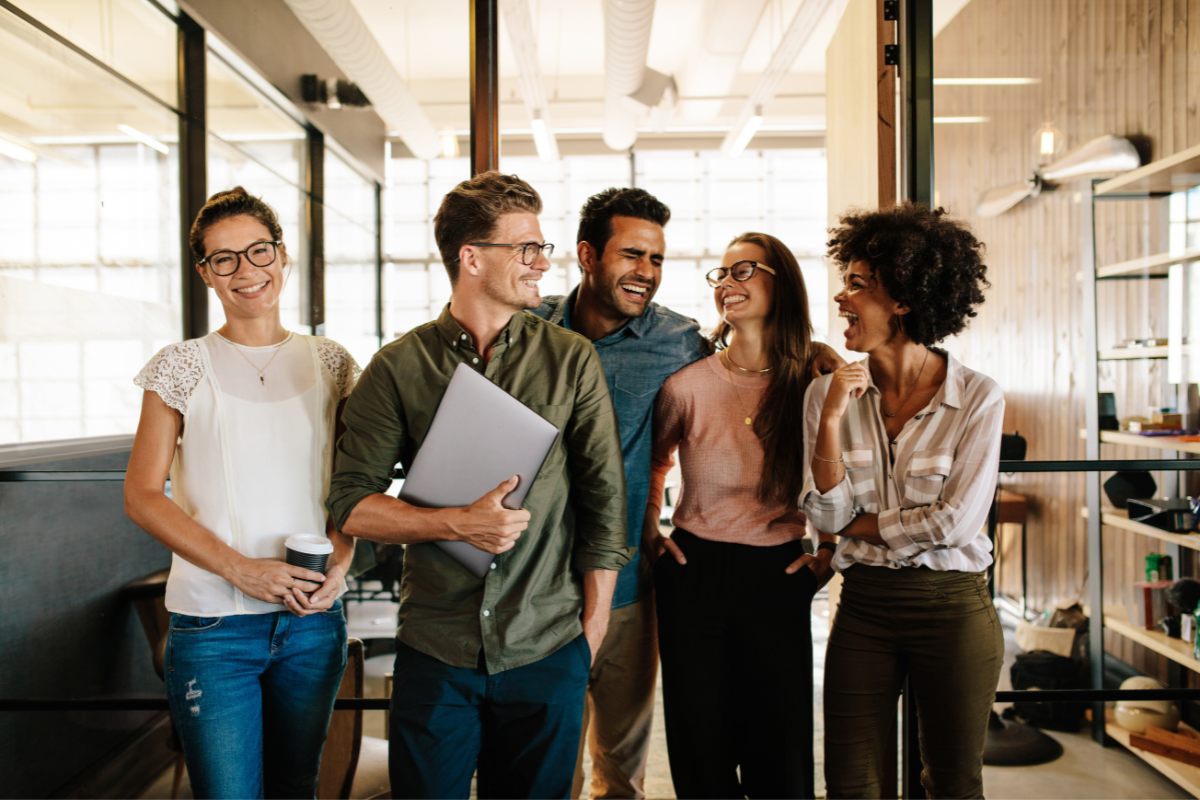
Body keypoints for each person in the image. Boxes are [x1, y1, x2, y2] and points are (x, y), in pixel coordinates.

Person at [324, 171, 632, 800]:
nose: (542, 263)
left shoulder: (571, 359)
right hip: (437, 649)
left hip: (548, 646)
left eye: (541, 248)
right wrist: (454, 522)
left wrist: (590, 633)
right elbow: (351, 502)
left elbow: (606, 506)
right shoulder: (399, 367)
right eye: (526, 249)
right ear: (471, 258)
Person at [124, 187, 359, 799]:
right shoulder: (179, 365)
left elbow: (354, 483)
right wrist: (242, 570)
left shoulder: (332, 362)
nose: (246, 271)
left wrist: (343, 558)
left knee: (295, 787)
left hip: (311, 623)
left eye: (259, 251)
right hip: (213, 627)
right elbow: (144, 495)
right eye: (223, 258)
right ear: (205, 273)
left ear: (282, 257)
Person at [803, 202, 1004, 799]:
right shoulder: (825, 396)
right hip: (863, 607)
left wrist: (856, 522)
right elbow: (823, 514)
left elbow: (957, 523)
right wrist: (835, 414)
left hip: (954, 608)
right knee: (851, 783)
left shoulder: (978, 398)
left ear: (906, 299)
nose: (841, 298)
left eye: (858, 285)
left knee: (952, 782)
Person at [645, 232, 838, 799]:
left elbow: (843, 472)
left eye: (744, 270)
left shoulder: (814, 381)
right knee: (699, 746)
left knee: (779, 750)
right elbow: (655, 462)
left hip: (777, 575)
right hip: (693, 570)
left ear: (783, 283)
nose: (727, 283)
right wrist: (650, 530)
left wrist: (827, 551)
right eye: (721, 274)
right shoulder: (687, 385)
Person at [530, 187, 709, 800]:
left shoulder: (680, 343)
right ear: (586, 255)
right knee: (547, 772)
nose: (647, 274)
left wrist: (814, 355)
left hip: (631, 584)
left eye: (657, 260)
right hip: (537, 590)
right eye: (633, 255)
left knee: (621, 774)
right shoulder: (525, 331)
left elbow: (758, 368)